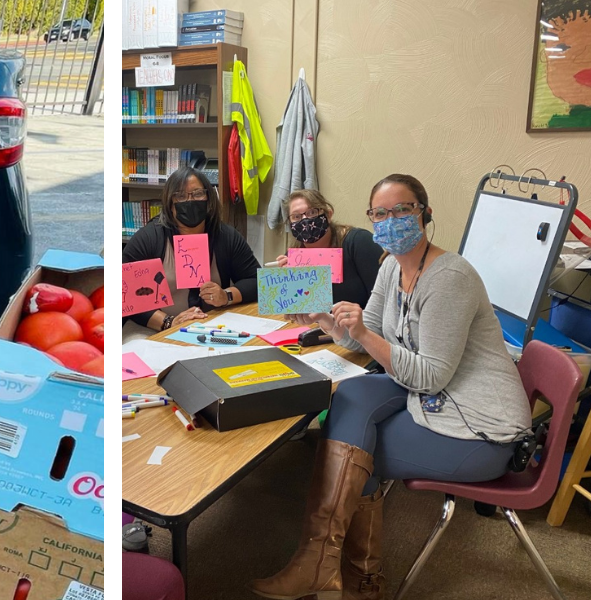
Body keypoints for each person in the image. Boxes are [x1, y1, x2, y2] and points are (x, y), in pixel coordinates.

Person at [249, 174, 531, 600]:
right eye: (380, 213)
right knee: (351, 396)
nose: (390, 221)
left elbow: (429, 373)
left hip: (480, 425)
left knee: (354, 454)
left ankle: (346, 575)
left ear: (425, 213)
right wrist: (326, 319)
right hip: (437, 395)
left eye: (402, 210)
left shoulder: (449, 277)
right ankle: (325, 567)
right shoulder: (393, 269)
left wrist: (361, 333)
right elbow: (368, 333)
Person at [123, 167, 261, 340]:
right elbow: (126, 296)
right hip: (154, 328)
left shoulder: (226, 236)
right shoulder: (149, 238)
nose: (190, 201)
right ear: (170, 204)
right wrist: (169, 322)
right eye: (180, 196)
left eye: (197, 194)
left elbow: (257, 281)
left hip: (212, 324)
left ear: (209, 199)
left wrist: (226, 296)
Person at [275, 189, 384, 307]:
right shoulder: (294, 257)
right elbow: (298, 308)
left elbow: (384, 300)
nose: (305, 220)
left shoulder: (359, 242)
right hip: (319, 324)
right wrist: (287, 285)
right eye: (296, 216)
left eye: (312, 212)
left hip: (362, 323)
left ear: (328, 214)